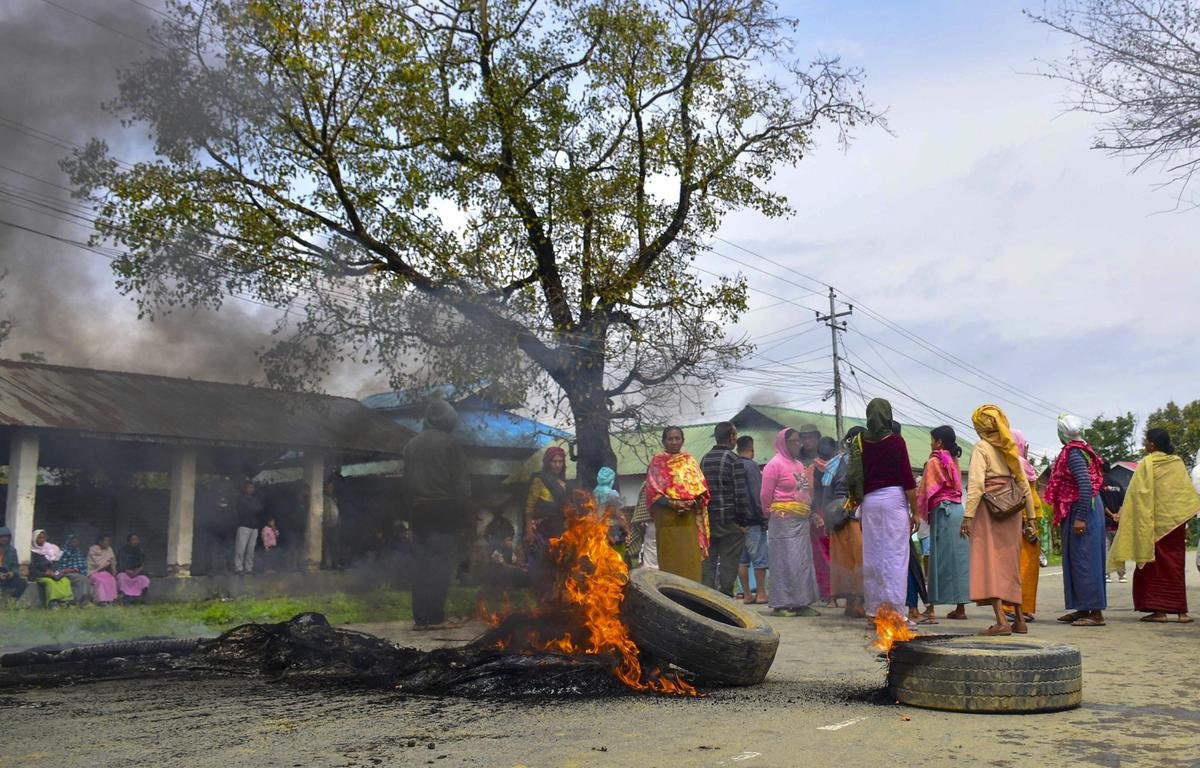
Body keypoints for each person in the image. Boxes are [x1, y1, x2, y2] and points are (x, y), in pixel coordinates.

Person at [1108, 428, 1200, 623]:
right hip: (1175, 524)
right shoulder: (1177, 463)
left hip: (1152, 525)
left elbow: (1137, 496)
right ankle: (1181, 612)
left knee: (1154, 568)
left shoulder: (1147, 463)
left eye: (1146, 441)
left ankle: (1160, 612)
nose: (1145, 445)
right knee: (1176, 567)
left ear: (1153, 444)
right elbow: (1184, 494)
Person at [963, 405, 1036, 636]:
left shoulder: (981, 447)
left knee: (989, 564)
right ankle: (1020, 620)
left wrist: (968, 516)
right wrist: (1031, 517)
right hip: (1012, 510)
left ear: (979, 427)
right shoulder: (1009, 447)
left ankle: (1002, 621)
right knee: (1010, 564)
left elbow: (976, 485)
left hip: (989, 510)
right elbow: (1023, 484)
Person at [402, 399, 472, 630]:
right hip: (444, 510)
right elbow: (461, 486)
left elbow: (406, 484)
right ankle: (435, 618)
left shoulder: (411, 445)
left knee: (421, 565)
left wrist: (410, 511)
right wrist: (465, 515)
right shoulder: (451, 445)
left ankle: (420, 619)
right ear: (448, 419)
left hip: (418, 510)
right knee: (440, 565)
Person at [848, 399, 918, 626]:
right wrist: (916, 512)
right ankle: (895, 614)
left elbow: (856, 477)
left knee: (873, 556)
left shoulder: (860, 441)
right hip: (893, 502)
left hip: (869, 503)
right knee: (896, 557)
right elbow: (908, 479)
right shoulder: (896, 441)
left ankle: (874, 613)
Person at [1044, 414, 1108, 627]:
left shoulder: (1073, 454)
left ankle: (1095, 613)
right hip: (1082, 507)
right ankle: (1082, 608)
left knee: (1086, 561)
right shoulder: (1083, 450)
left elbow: (1085, 485)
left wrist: (1080, 518)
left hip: (1084, 509)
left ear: (1061, 432)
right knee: (1078, 560)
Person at [761, 428, 822, 617]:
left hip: (801, 521)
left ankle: (801, 602)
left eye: (798, 441)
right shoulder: (774, 465)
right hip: (782, 521)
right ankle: (781, 604)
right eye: (794, 441)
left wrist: (810, 511)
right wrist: (769, 513)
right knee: (784, 560)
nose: (798, 444)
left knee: (802, 561)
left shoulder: (798, 465)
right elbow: (765, 495)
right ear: (783, 443)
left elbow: (804, 490)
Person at [644, 426, 711, 581]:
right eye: (670, 439)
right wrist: (672, 504)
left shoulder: (690, 461)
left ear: (682, 441)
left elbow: (702, 491)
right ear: (663, 441)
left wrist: (691, 503)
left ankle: (692, 593)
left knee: (690, 560)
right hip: (667, 520)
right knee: (670, 564)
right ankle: (671, 592)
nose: (674, 442)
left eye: (677, 438)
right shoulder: (657, 462)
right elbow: (652, 493)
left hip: (688, 520)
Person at [917, 426, 970, 620]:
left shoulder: (933, 461)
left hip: (942, 512)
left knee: (936, 560)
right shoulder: (953, 460)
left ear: (939, 442)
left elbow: (925, 490)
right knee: (959, 561)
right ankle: (960, 608)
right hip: (958, 511)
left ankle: (930, 609)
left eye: (932, 440)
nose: (931, 443)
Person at [700, 422, 750, 596]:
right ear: (731, 437)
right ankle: (725, 597)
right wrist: (742, 522)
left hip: (708, 521)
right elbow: (740, 494)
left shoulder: (704, 459)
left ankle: (706, 599)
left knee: (708, 563)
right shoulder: (734, 459)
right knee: (729, 564)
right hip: (730, 522)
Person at [1001, 429, 1045, 622]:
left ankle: (1014, 607)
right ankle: (1020, 607)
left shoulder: (1014, 462)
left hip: (1022, 520)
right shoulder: (1022, 464)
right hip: (1027, 520)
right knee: (1026, 567)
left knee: (1019, 566)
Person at [823, 428, 865, 618]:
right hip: (855, 517)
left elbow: (826, 492)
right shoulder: (863, 461)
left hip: (837, 516)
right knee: (858, 560)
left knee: (843, 561)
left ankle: (850, 603)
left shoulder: (835, 462)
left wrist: (828, 518)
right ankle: (857, 603)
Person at [525, 446, 573, 590]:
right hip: (543, 531)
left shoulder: (564, 484)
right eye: (554, 461)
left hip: (560, 529)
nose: (557, 465)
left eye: (560, 461)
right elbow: (529, 507)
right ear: (548, 462)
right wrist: (529, 530)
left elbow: (566, 508)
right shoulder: (539, 480)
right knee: (544, 565)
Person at [799, 425, 833, 604]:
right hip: (815, 513)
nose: (807, 441)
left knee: (829, 554)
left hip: (830, 512)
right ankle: (826, 591)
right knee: (818, 555)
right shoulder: (799, 460)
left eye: (810, 437)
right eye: (804, 438)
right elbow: (803, 491)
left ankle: (834, 591)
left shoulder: (830, 459)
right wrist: (812, 512)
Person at [736, 435, 768, 605]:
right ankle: (761, 593)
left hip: (736, 522)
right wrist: (763, 519)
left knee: (742, 560)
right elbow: (757, 494)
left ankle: (747, 594)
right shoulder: (751, 466)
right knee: (759, 559)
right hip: (753, 520)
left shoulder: (733, 465)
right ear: (752, 449)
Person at [30, 530, 74, 607]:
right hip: (40, 575)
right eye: (39, 538)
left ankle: (65, 601)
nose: (41, 540)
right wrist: (44, 573)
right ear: (34, 538)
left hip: (52, 574)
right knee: (50, 583)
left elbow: (54, 563)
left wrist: (55, 572)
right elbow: (33, 569)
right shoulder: (32, 552)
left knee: (65, 581)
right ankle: (52, 602)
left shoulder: (49, 549)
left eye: (43, 538)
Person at [1100, 467, 1128, 584]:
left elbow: (1101, 504)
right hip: (1118, 523)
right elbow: (1123, 502)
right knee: (1119, 550)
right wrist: (1118, 515)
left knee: (1106, 550)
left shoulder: (1099, 484)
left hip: (1105, 523)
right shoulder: (1118, 484)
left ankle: (1107, 575)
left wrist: (1111, 515)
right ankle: (1122, 575)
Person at [233, 480, 263, 575]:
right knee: (241, 548)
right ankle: (238, 568)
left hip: (254, 527)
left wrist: (253, 509)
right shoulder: (241, 499)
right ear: (245, 489)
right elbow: (244, 510)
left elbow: (259, 509)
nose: (251, 489)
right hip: (244, 526)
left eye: (252, 488)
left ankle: (249, 568)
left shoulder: (255, 499)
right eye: (249, 487)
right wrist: (252, 509)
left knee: (251, 549)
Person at [58, 533, 91, 604]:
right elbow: (60, 567)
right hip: (66, 573)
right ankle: (82, 601)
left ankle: (81, 601)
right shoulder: (63, 552)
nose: (75, 543)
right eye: (74, 542)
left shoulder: (78, 551)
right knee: (82, 579)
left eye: (77, 542)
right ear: (69, 542)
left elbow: (83, 564)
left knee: (85, 578)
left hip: (78, 573)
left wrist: (79, 570)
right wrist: (71, 570)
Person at [117, 533, 151, 602]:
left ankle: (140, 598)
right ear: (128, 541)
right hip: (125, 572)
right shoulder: (122, 551)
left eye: (136, 540)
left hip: (136, 573)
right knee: (121, 577)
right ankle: (124, 596)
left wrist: (135, 572)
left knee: (144, 579)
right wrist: (127, 571)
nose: (135, 541)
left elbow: (142, 564)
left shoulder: (140, 551)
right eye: (133, 540)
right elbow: (120, 564)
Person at [87, 534, 118, 605]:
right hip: (93, 572)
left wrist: (114, 571)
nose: (108, 542)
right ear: (100, 542)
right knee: (101, 581)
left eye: (109, 541)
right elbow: (98, 563)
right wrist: (108, 561)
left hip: (103, 572)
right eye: (106, 541)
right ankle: (101, 600)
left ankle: (111, 600)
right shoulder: (93, 549)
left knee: (111, 579)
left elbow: (113, 561)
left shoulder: (109, 549)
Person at [0, 527, 27, 601]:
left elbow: (15, 565)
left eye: (6, 537)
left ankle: (12, 601)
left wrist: (12, 573)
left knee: (22, 582)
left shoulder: (12, 550)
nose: (4, 539)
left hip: (6, 575)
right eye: (2, 537)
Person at [322, 477, 342, 570]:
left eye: (331, 487)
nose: (330, 489)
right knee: (324, 545)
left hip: (334, 525)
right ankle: (323, 564)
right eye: (329, 487)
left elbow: (336, 510)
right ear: (325, 488)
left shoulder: (334, 498)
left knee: (335, 544)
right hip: (326, 525)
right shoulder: (323, 498)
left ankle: (335, 563)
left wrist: (338, 521)